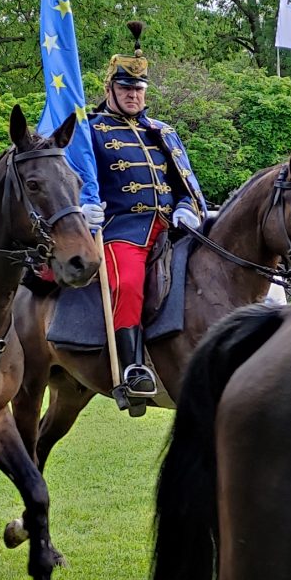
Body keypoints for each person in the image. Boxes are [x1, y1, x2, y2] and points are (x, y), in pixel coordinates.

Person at [83, 21, 206, 404]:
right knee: (129, 283)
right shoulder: (90, 130)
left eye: (138, 89)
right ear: (109, 89)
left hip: (172, 228)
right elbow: (74, 179)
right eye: (125, 88)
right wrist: (83, 206)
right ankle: (132, 368)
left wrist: (186, 207)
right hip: (122, 229)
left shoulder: (163, 131)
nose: (133, 95)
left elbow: (185, 183)